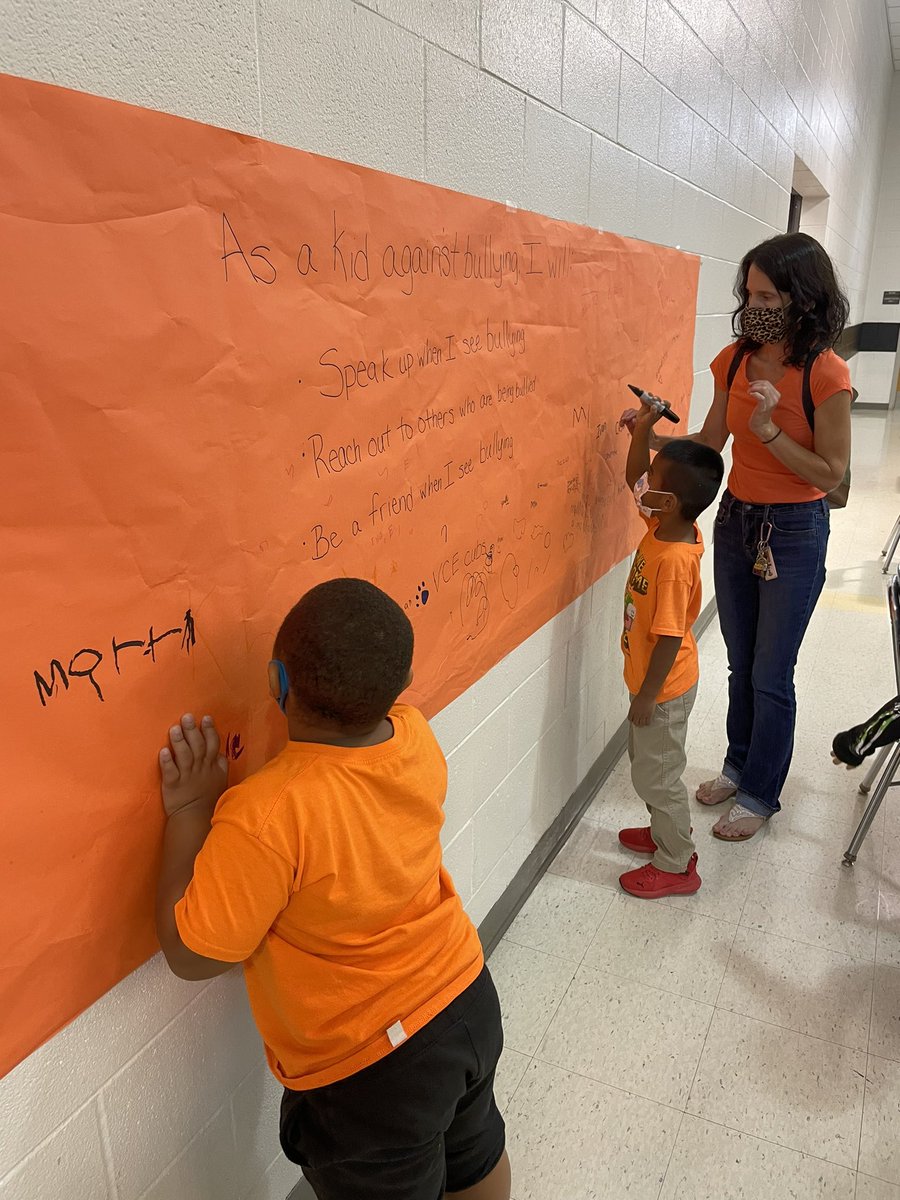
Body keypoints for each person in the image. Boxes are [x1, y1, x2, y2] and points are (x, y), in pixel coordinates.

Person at [154, 578, 511, 1200]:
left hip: (372, 1072)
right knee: (474, 1150)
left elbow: (192, 955)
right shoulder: (414, 737)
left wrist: (189, 811)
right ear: (399, 691)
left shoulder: (266, 813)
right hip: (465, 998)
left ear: (275, 683)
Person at [658, 232, 852, 840]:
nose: (754, 304)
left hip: (794, 531)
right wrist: (650, 435)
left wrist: (767, 431)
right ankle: (737, 765)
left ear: (802, 297)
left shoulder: (826, 371)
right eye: (748, 291)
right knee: (740, 664)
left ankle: (763, 792)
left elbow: (832, 475)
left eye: (767, 293)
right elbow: (711, 442)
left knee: (771, 673)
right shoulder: (735, 359)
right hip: (738, 520)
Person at [615, 399, 725, 897]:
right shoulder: (662, 525)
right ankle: (665, 833)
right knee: (649, 770)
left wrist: (646, 696)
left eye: (656, 479)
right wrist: (643, 428)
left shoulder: (676, 560)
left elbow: (670, 635)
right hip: (650, 686)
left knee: (659, 778)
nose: (646, 482)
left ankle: (677, 863)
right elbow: (633, 476)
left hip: (662, 689)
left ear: (671, 502)